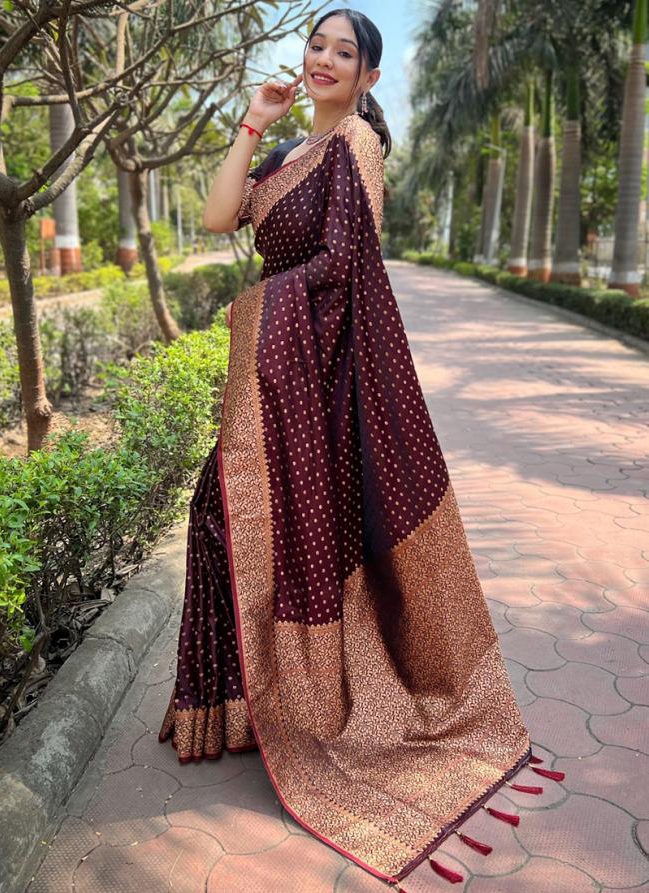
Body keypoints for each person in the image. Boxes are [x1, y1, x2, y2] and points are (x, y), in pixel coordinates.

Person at [159, 8, 565, 889]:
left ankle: (299, 707)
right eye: (317, 45)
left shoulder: (357, 148)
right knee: (219, 520)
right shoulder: (286, 154)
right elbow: (221, 214)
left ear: (371, 78)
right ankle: (233, 707)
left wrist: (260, 309)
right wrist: (251, 121)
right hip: (271, 373)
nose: (325, 60)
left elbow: (348, 265)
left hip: (309, 377)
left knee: (282, 539)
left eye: (346, 52)